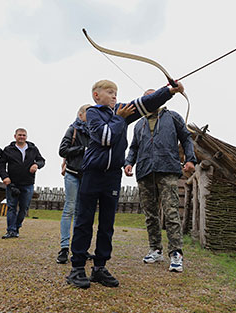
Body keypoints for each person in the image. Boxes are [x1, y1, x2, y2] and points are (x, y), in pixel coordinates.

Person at [67, 79, 185, 289]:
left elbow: (145, 103)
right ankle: (77, 268)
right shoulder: (94, 113)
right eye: (110, 92)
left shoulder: (121, 110)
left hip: (112, 176)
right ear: (96, 95)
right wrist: (120, 120)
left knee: (107, 225)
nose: (114, 96)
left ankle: (99, 268)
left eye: (116, 93)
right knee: (84, 221)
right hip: (93, 174)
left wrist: (170, 91)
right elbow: (105, 138)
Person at [124, 89, 196, 273]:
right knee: (150, 214)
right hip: (145, 171)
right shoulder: (139, 124)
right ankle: (155, 249)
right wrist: (128, 163)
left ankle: (176, 254)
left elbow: (186, 138)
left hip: (168, 169)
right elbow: (133, 147)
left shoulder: (173, 117)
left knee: (171, 211)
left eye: (152, 98)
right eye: (146, 99)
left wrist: (190, 159)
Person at [56, 104, 92, 264]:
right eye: (88, 113)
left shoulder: (96, 131)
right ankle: (64, 248)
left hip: (87, 176)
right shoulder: (73, 129)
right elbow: (62, 150)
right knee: (69, 209)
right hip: (72, 174)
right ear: (80, 114)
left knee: (81, 212)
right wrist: (81, 149)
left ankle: (79, 249)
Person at [0, 128, 45, 239]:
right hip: (12, 183)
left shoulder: (33, 149)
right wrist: (5, 177)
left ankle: (17, 227)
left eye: (23, 135)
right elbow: (1, 165)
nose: (21, 137)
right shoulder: (8, 149)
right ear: (15, 136)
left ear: (26, 137)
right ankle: (11, 230)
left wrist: (37, 165)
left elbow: (42, 160)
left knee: (24, 208)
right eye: (19, 135)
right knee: (11, 207)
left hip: (28, 183)